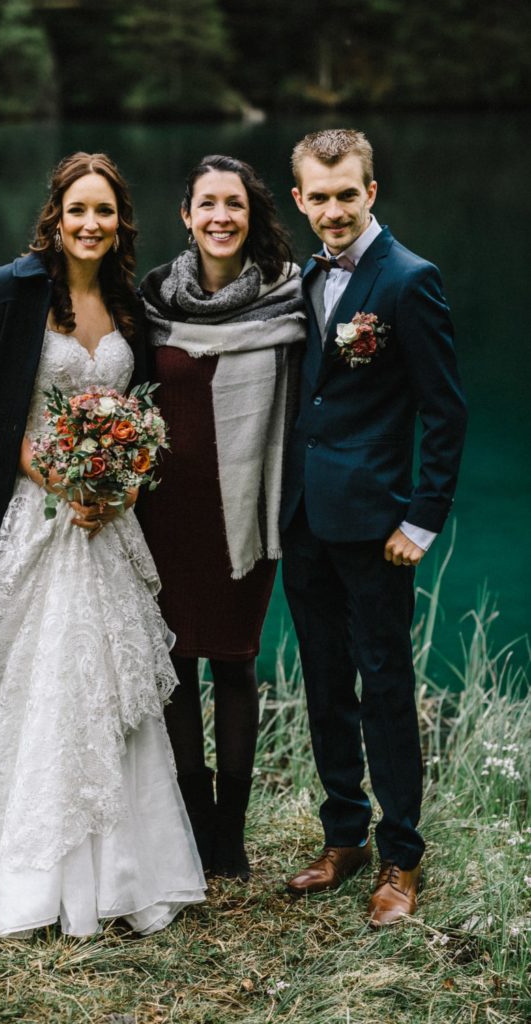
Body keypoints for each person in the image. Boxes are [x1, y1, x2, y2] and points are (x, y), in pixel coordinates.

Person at [0, 152, 206, 938]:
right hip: (35, 514)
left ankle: (125, 873)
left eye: (105, 212)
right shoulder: (4, 292)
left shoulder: (128, 304)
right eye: (78, 210)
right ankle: (38, 875)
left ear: (121, 224)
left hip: (107, 525)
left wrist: (116, 486)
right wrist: (63, 480)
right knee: (39, 686)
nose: (91, 224)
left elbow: (139, 413)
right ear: (54, 215)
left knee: (109, 690)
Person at [281, 129, 467, 925]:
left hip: (376, 525)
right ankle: (343, 835)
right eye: (317, 197)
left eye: (344, 194)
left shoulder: (408, 280)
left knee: (385, 687)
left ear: (371, 192)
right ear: (298, 199)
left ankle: (400, 857)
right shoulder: (301, 279)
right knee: (324, 681)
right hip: (302, 519)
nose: (331, 209)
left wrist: (420, 522)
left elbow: (445, 412)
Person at [139, 155, 306, 881]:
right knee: (173, 664)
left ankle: (229, 838)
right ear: (186, 214)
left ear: (251, 212)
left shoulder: (289, 296)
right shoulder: (151, 299)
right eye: (206, 203)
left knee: (235, 663)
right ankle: (193, 821)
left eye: (232, 204)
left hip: (245, 509)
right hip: (164, 513)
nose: (219, 217)